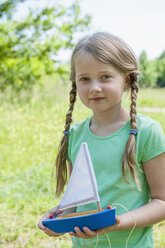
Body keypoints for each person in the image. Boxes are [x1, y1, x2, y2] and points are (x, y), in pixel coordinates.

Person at [38, 32, 165, 248]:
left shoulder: (148, 132)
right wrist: (59, 217)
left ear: (126, 80)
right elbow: (77, 199)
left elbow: (161, 202)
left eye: (105, 76)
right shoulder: (75, 134)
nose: (94, 87)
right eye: (84, 79)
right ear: (75, 83)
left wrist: (116, 223)